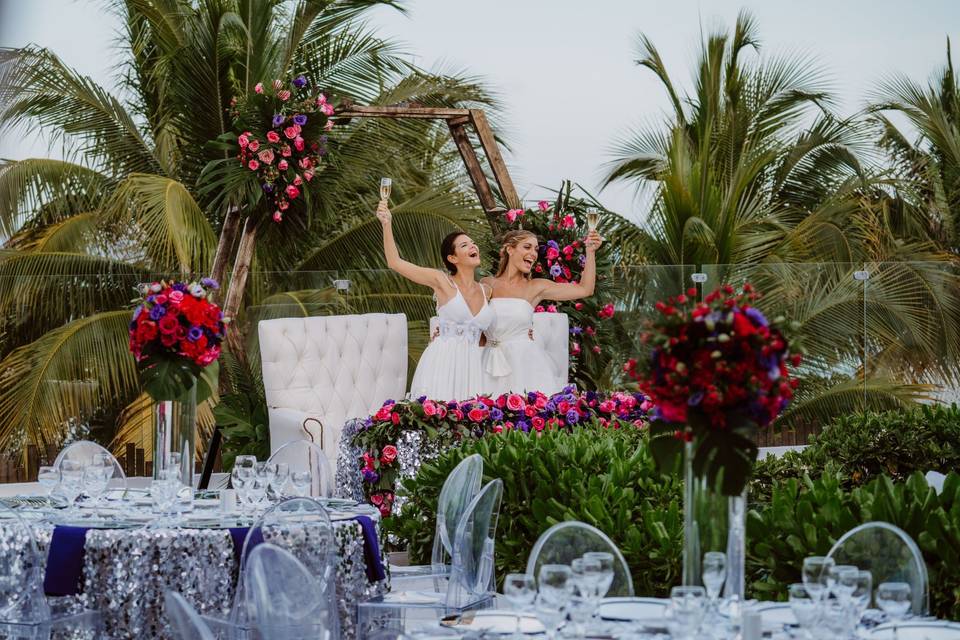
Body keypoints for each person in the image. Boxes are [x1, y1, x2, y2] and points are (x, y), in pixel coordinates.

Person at [377, 201, 492, 401]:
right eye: (465, 245)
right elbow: (395, 262)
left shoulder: (487, 291)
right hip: (443, 363)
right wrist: (387, 224)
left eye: (473, 243)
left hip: (474, 365)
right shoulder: (441, 281)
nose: (473, 246)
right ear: (452, 258)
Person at [481, 228, 602, 396]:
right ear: (510, 249)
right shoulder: (487, 283)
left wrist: (590, 252)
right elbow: (472, 318)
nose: (533, 253)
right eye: (527, 247)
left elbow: (585, 289)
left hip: (525, 365)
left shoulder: (536, 286)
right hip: (489, 363)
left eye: (536, 249)